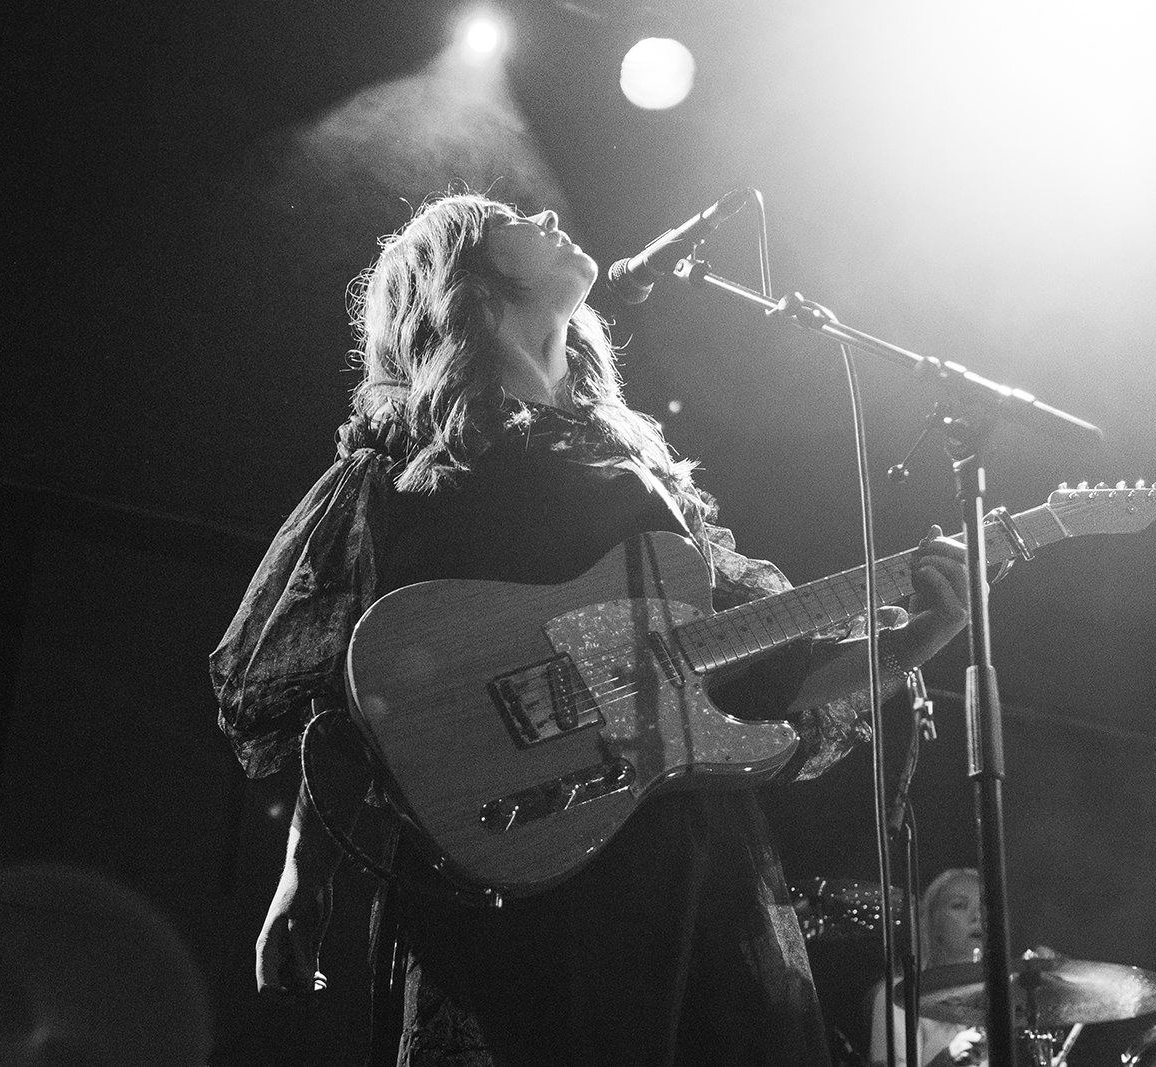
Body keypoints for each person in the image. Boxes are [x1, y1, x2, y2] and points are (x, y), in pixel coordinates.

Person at [210, 191, 974, 1067]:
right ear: (469, 283)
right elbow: (342, 700)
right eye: (508, 219)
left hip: (688, 854)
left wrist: (912, 642)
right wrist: (303, 887)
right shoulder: (402, 467)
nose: (541, 212)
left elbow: (749, 672)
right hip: (526, 869)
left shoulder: (631, 459)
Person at [866, 868, 988, 1067]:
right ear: (934, 922)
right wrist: (947, 1059)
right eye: (959, 905)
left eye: (984, 906)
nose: (977, 917)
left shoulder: (1006, 995)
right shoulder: (900, 995)